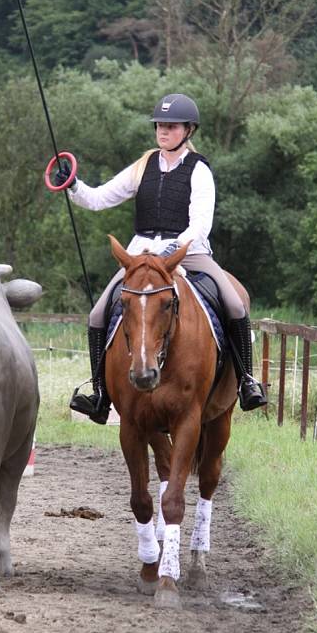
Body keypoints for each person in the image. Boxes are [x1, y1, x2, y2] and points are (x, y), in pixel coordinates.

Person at [54, 93, 267, 424]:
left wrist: (172, 249)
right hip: (141, 254)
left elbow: (201, 224)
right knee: (97, 313)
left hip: (189, 252)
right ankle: (98, 394)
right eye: (159, 126)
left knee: (235, 304)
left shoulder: (199, 170)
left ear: (188, 130)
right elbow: (98, 199)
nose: (163, 131)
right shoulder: (143, 166)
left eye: (171, 126)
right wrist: (72, 184)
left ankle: (247, 383)